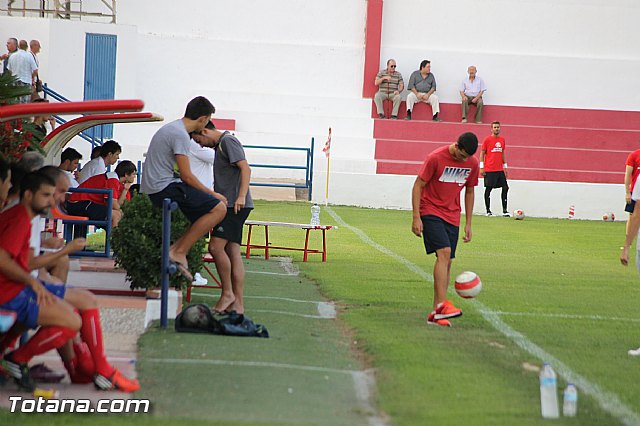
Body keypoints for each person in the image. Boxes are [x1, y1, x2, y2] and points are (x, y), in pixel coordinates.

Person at [141, 96, 228, 281]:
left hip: (158, 186)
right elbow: (187, 175)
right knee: (219, 208)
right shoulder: (180, 134)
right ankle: (178, 251)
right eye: (207, 120)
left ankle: (176, 249)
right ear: (203, 119)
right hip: (162, 188)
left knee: (202, 214)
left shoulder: (173, 128)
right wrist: (213, 194)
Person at [411, 132, 479, 327]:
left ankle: (436, 313)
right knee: (444, 253)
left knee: (447, 261)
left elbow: (470, 190)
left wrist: (468, 223)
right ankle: (442, 306)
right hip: (430, 209)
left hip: (453, 215)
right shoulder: (435, 158)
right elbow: (418, 185)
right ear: (456, 146)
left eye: (467, 157)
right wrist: (416, 217)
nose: (463, 160)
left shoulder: (472, 163)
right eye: (461, 156)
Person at [193, 122, 253, 314]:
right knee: (232, 250)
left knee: (215, 247)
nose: (201, 145)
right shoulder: (221, 145)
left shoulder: (228, 141)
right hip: (230, 204)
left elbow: (245, 168)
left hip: (234, 205)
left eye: (199, 140)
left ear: (204, 130)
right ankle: (238, 305)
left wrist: (241, 196)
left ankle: (228, 294)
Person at [66, 160, 137, 228]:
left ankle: (115, 237)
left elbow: (117, 205)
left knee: (118, 214)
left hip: (85, 204)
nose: (135, 176)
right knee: (116, 215)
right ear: (126, 174)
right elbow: (114, 205)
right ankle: (113, 239)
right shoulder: (112, 180)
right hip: (77, 204)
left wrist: (125, 189)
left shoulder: (115, 180)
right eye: (133, 174)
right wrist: (121, 210)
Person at [479, 121, 509, 216]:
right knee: (489, 189)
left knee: (505, 187)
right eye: (495, 127)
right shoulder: (487, 140)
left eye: (498, 127)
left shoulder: (502, 140)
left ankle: (504, 210)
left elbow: (502, 153)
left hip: (499, 169)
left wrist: (505, 167)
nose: (497, 129)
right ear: (491, 129)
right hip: (490, 169)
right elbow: (482, 153)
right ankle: (488, 211)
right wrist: (481, 167)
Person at [624, 147, 640, 235]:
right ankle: (628, 241)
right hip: (635, 192)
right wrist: (627, 193)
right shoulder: (634, 155)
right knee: (632, 216)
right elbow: (627, 174)